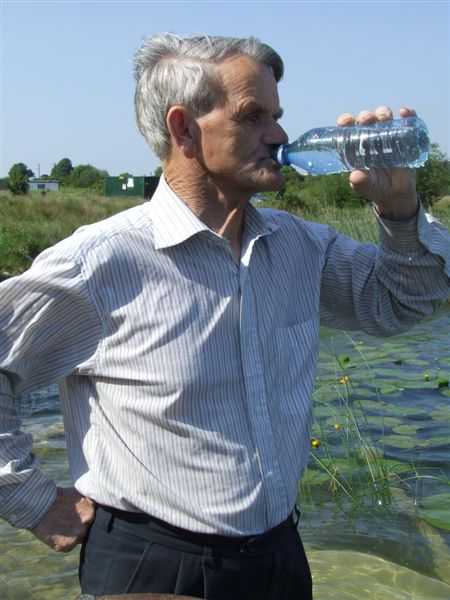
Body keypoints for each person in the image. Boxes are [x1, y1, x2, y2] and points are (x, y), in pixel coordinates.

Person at [0, 33, 449, 600]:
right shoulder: (100, 263)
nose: (280, 135)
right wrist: (32, 500)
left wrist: (400, 207)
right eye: (254, 116)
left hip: (279, 556)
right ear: (184, 128)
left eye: (277, 116)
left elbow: (403, 302)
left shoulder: (300, 247)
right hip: (154, 567)